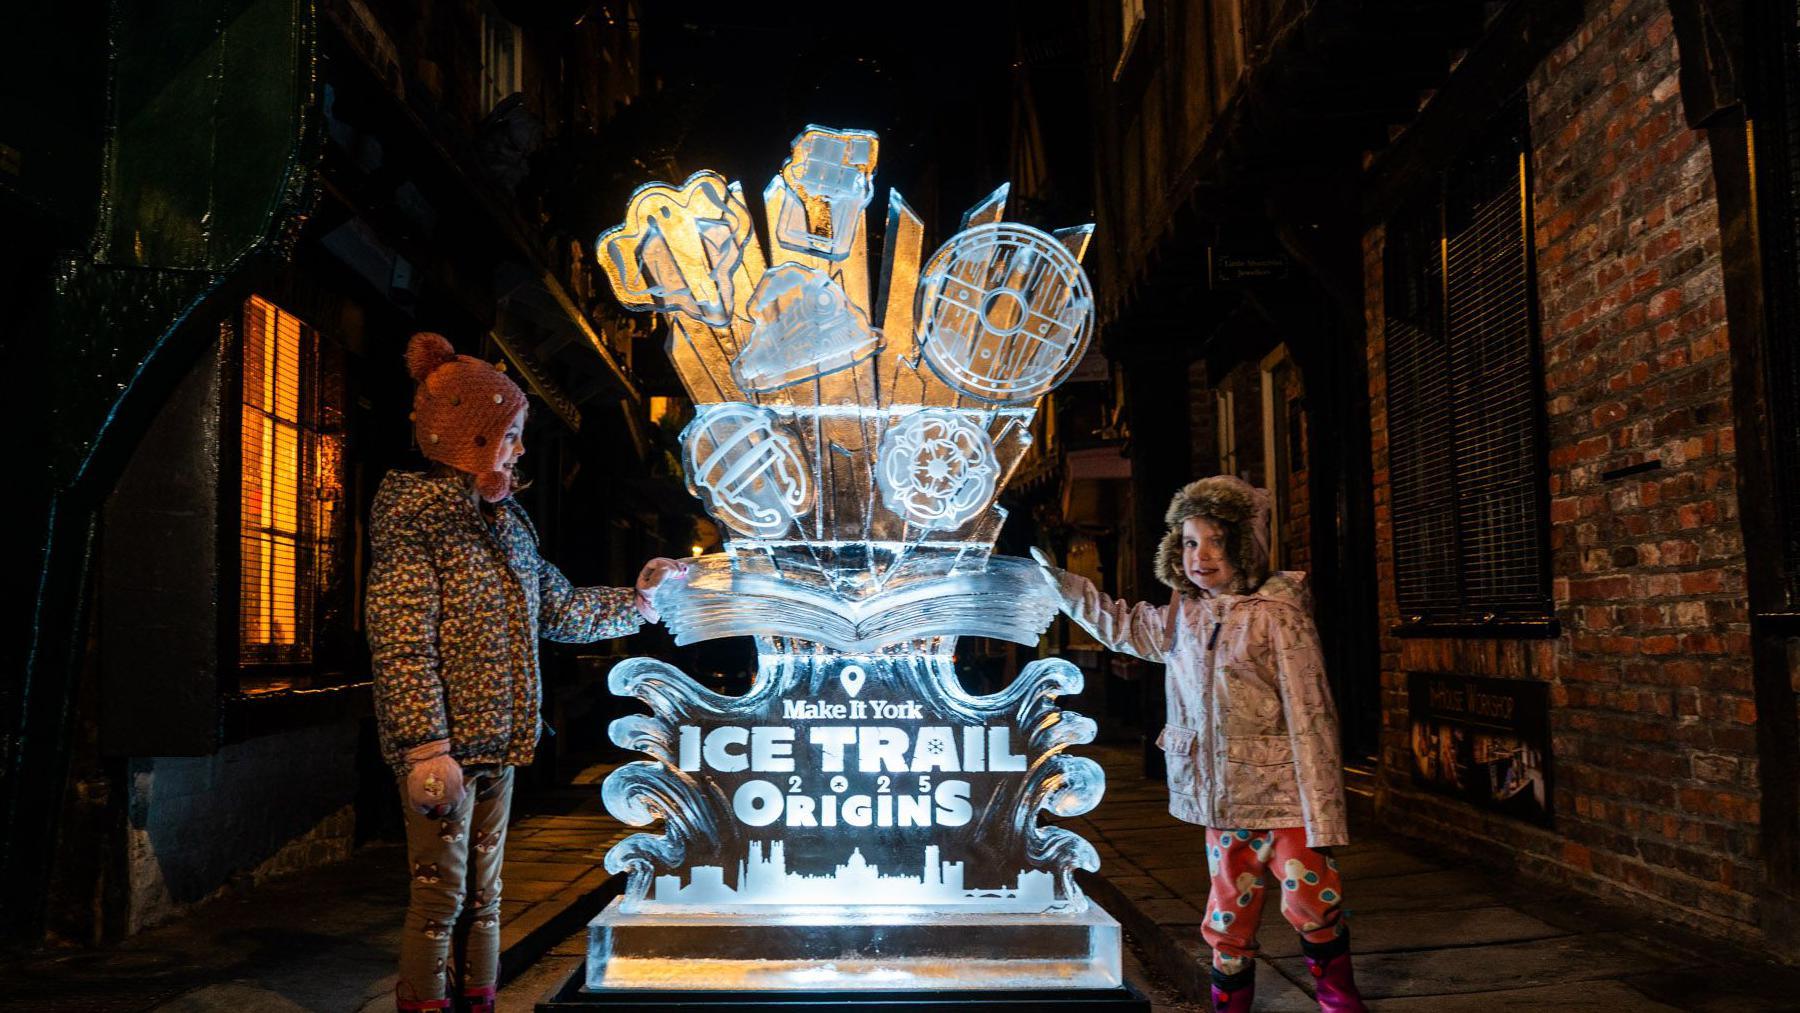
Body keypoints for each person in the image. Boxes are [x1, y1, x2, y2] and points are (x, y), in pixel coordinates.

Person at [368, 332, 684, 1012]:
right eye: (508, 435)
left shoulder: (508, 526)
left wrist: (639, 599)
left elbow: (560, 606)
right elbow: (401, 642)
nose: (516, 448)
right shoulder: (417, 525)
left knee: (487, 899)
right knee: (438, 898)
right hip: (446, 751)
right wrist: (426, 743)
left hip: (500, 743)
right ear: (471, 438)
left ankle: (478, 1001)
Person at [1035, 476, 1366, 1013]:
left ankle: (1337, 996)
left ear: (1245, 545)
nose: (1201, 556)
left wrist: (1325, 814)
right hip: (1221, 798)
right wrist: (1064, 589)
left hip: (1285, 798)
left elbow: (1313, 714)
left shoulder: (1276, 617)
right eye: (1189, 543)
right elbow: (1124, 627)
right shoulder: (1183, 616)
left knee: (1312, 900)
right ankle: (1229, 1005)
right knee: (1227, 914)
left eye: (1215, 541)